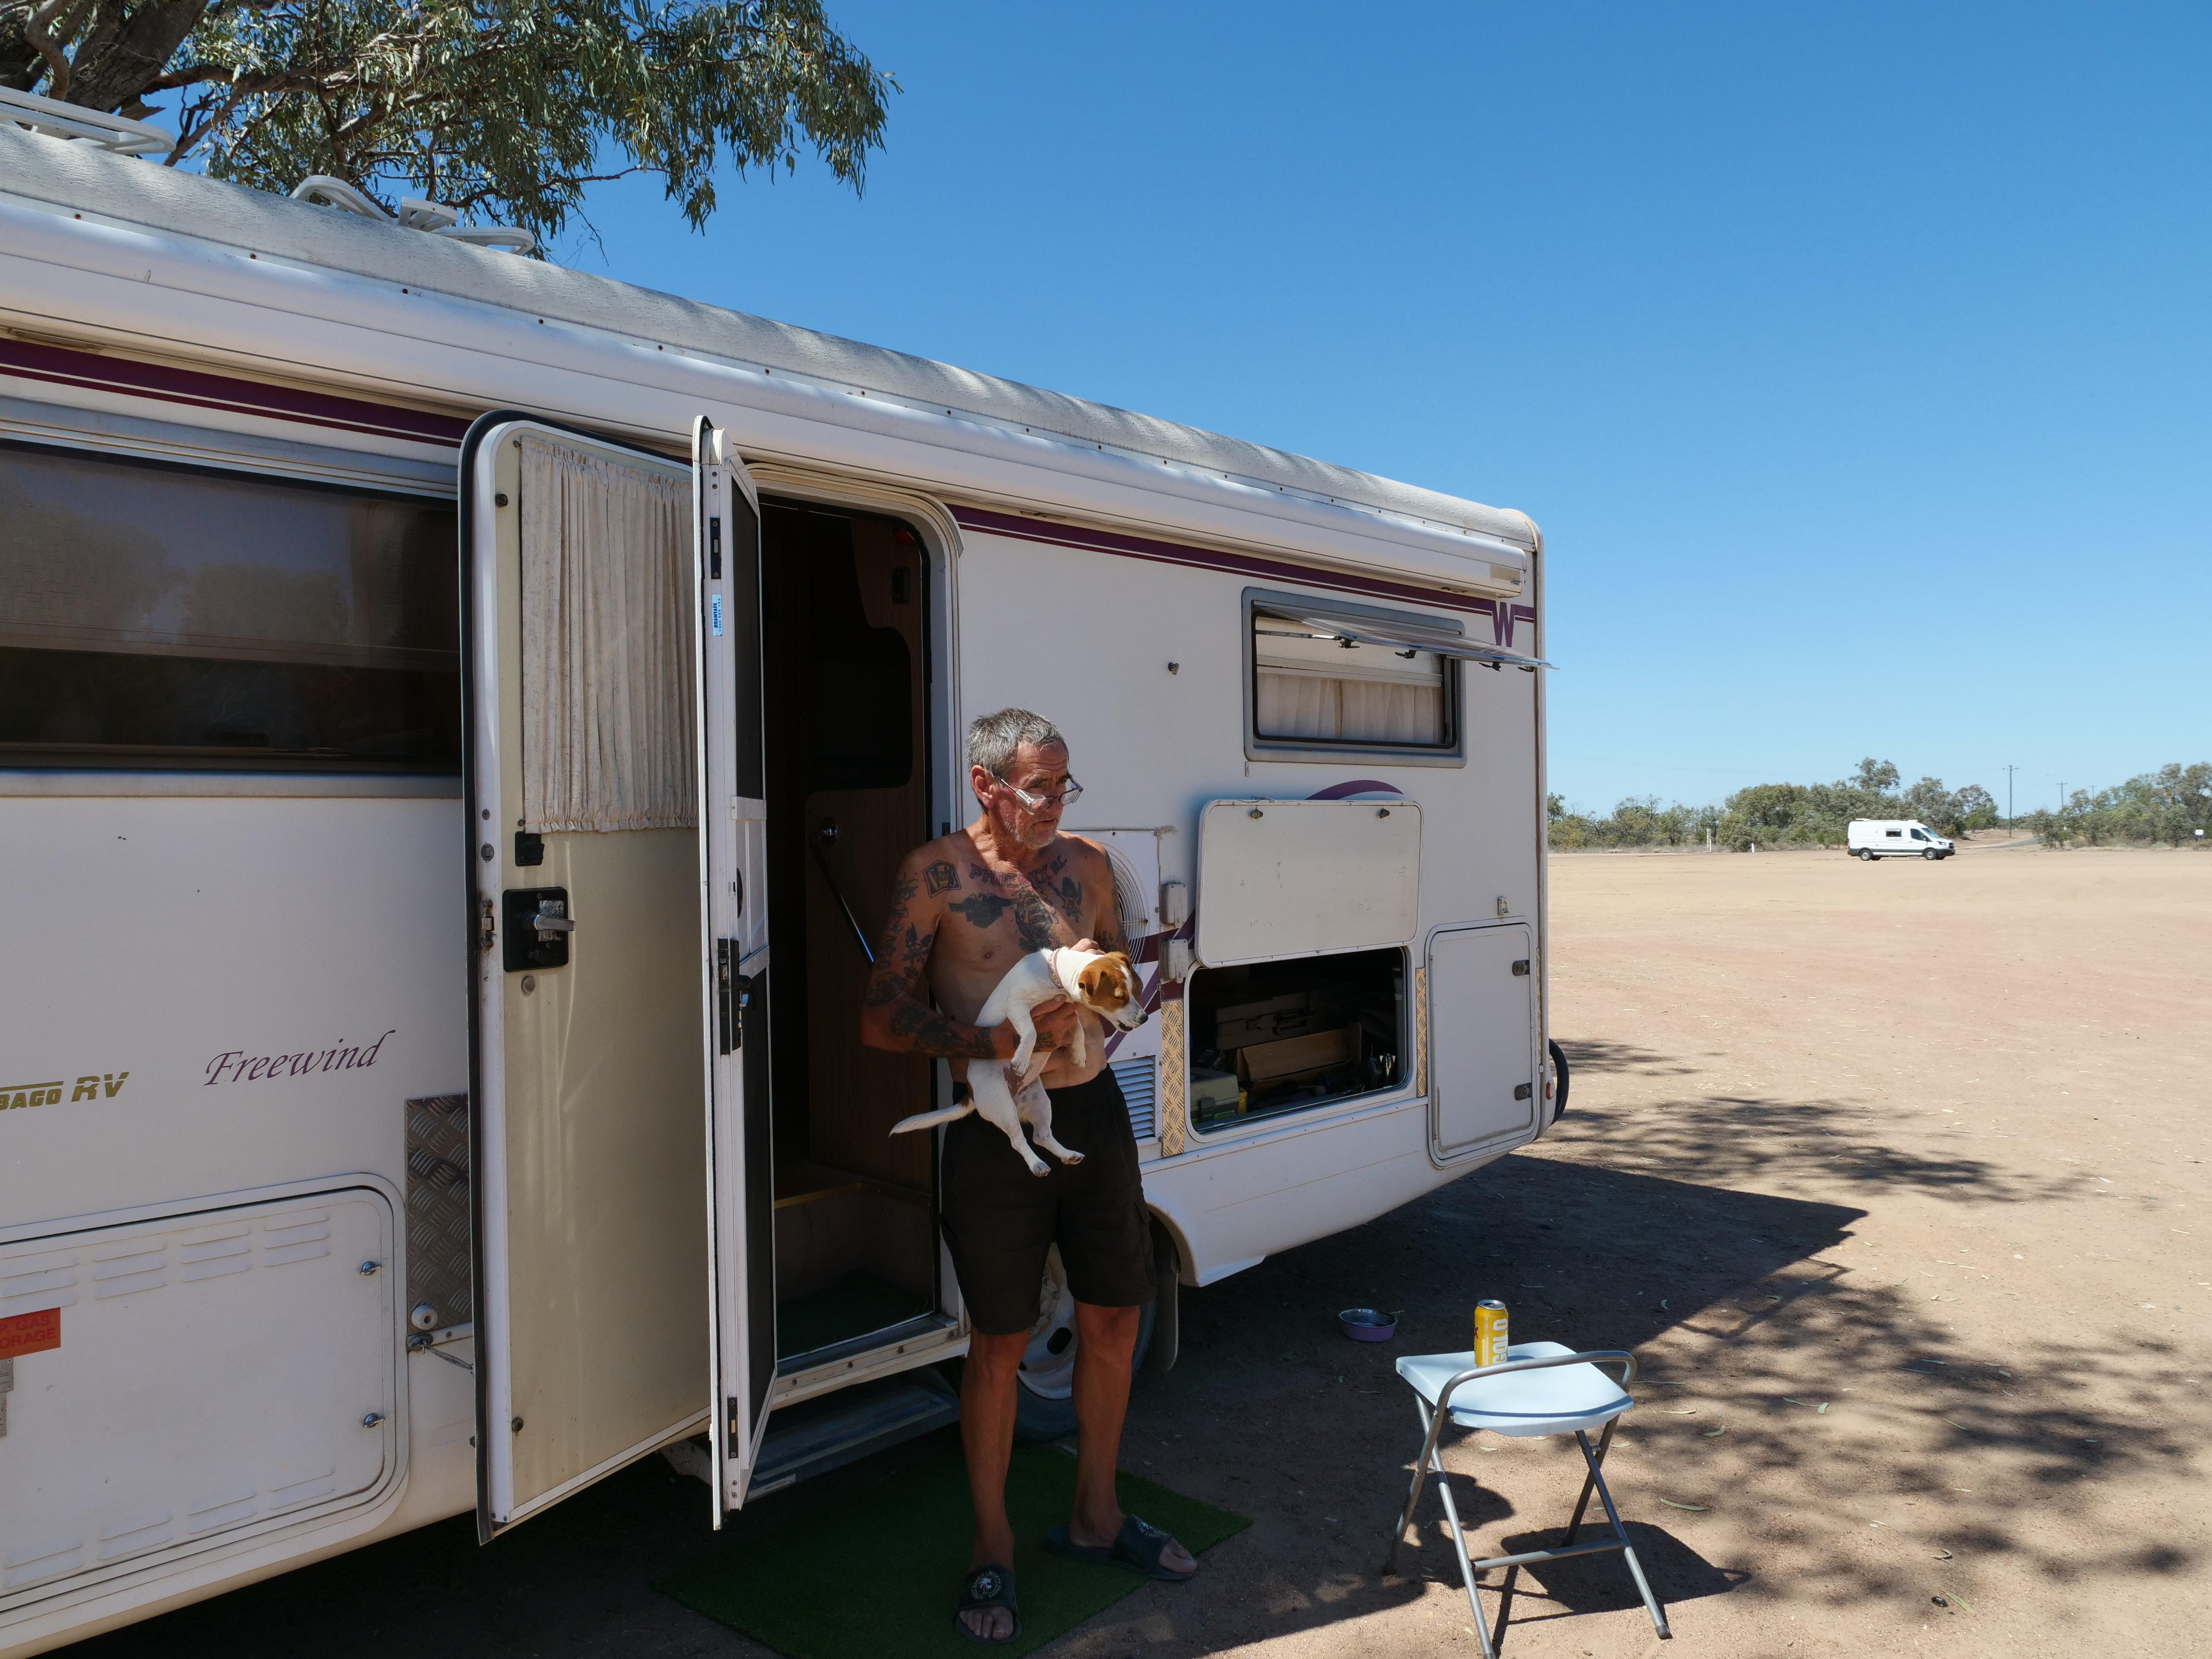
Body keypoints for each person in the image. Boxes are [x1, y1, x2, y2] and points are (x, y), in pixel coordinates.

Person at [860, 707, 1198, 1643]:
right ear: (985, 784)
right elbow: (880, 1018)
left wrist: (1126, 994)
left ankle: (1095, 1517)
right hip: (991, 1124)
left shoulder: (1087, 864)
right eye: (1037, 786)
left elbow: (1121, 975)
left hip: (1091, 1112)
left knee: (1114, 1317)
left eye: (1064, 784)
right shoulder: (935, 876)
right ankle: (993, 1548)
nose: (1054, 803)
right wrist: (993, 1041)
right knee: (1000, 1344)